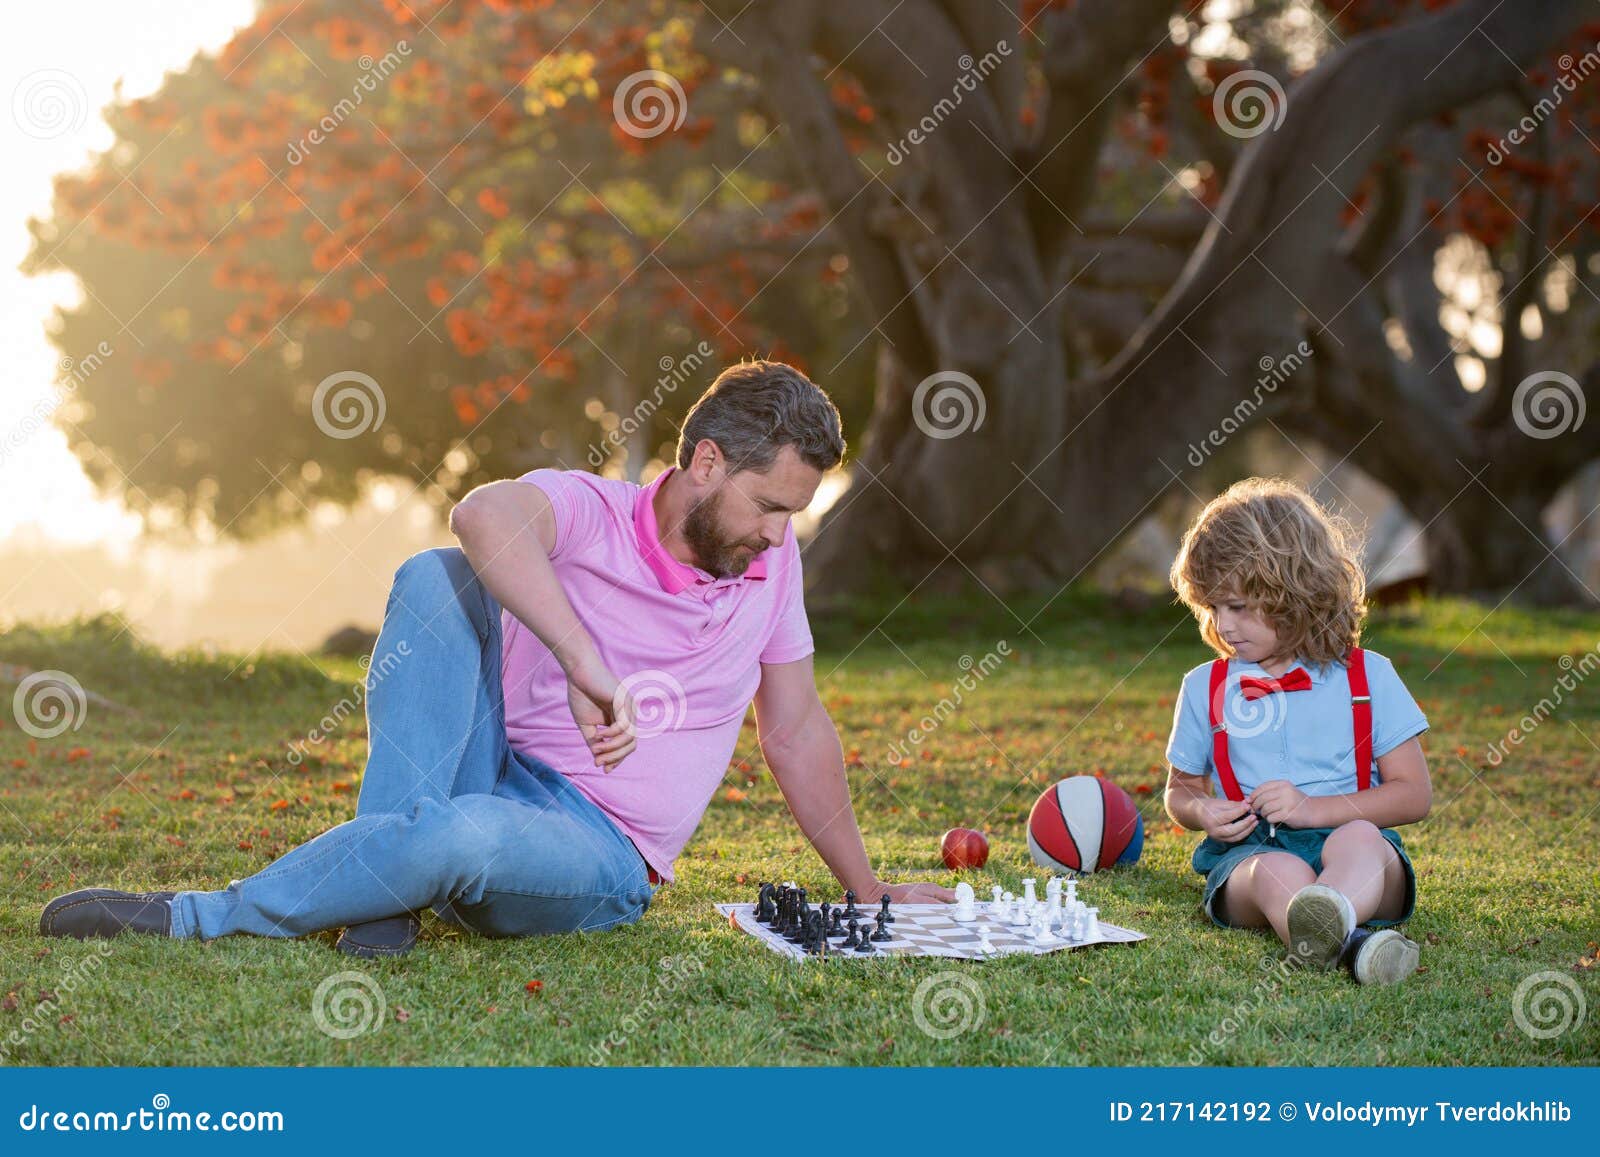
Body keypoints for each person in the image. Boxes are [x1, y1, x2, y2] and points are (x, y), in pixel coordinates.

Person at [40, 360, 953, 955]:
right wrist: (583, 658)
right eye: (768, 505)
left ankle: (199, 914)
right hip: (493, 766)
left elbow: (793, 727)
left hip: (595, 848)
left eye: (791, 513)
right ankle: (382, 904)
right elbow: (481, 514)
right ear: (707, 463)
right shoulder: (589, 509)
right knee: (436, 576)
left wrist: (867, 892)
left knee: (458, 834)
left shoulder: (772, 563)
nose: (776, 533)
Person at [1162, 478, 1432, 985]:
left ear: (1295, 592)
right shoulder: (1206, 686)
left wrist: (1313, 810)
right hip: (1252, 853)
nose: (1223, 625)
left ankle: (1330, 925)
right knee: (1273, 872)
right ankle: (1354, 946)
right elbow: (1180, 790)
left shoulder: (1367, 676)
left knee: (1358, 841)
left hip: (1361, 858)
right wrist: (1201, 810)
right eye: (1212, 607)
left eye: (1238, 607)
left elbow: (1414, 795)